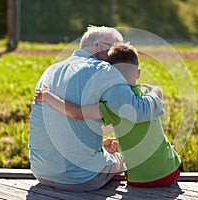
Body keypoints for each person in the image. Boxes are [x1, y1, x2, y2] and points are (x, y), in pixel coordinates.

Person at [29, 26, 164, 192]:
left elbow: (63, 122)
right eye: (116, 49)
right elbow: (138, 111)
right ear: (101, 46)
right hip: (81, 177)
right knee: (123, 158)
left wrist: (99, 143)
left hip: (41, 172)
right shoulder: (105, 70)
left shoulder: (50, 71)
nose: (118, 58)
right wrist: (156, 92)